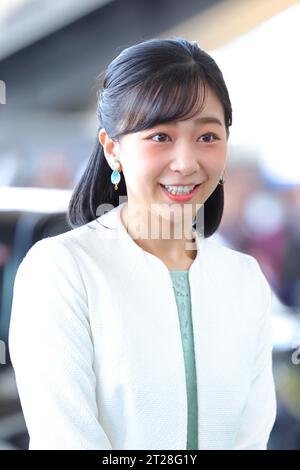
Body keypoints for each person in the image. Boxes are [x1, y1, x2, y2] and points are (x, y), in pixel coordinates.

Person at [8, 37, 276, 450]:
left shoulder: (244, 279)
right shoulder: (61, 270)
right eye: (160, 137)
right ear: (113, 149)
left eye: (207, 136)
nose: (186, 162)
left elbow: (252, 439)